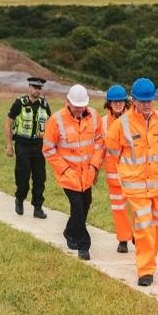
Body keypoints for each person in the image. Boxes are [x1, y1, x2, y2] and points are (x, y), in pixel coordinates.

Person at [105, 78, 158, 286]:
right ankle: (145, 270)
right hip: (135, 185)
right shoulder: (120, 125)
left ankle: (149, 256)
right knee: (144, 225)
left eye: (150, 101)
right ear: (132, 100)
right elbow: (114, 151)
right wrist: (133, 170)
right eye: (142, 101)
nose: (146, 104)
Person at [43, 84, 105, 261]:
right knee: (77, 207)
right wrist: (65, 169)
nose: (79, 111)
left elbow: (100, 141)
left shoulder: (94, 116)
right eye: (76, 107)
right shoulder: (56, 120)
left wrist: (94, 166)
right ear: (67, 102)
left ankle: (69, 231)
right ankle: (83, 245)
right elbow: (48, 149)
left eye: (82, 107)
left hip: (87, 173)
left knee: (86, 203)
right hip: (68, 175)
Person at [5, 76, 52, 218]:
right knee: (23, 176)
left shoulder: (44, 105)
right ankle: (20, 198)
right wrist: (9, 146)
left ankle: (38, 207)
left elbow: (51, 125)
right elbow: (8, 124)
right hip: (23, 145)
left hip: (39, 145)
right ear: (29, 88)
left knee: (40, 178)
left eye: (39, 88)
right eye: (35, 87)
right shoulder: (19, 103)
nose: (37, 90)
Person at [101, 85, 134, 252]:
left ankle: (139, 236)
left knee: (137, 207)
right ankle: (123, 239)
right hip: (113, 175)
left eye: (120, 101)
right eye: (115, 101)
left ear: (125, 102)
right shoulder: (103, 123)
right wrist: (94, 169)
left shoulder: (133, 119)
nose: (118, 104)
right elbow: (99, 148)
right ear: (109, 103)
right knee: (119, 209)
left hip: (133, 173)